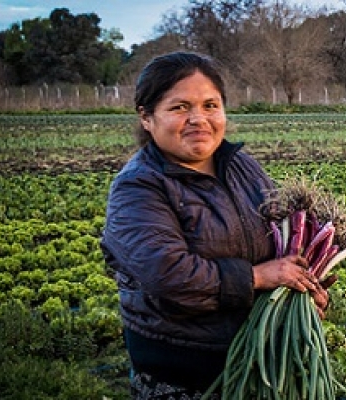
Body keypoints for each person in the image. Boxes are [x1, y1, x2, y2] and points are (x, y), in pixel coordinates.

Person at [100, 51, 332, 399]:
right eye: (180, 108)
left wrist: (301, 293)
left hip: (263, 362)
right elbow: (169, 276)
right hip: (185, 373)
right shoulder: (138, 187)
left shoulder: (241, 166)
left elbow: (281, 244)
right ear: (146, 118)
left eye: (210, 105)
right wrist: (258, 277)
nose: (199, 119)